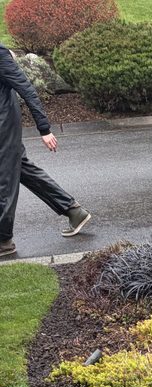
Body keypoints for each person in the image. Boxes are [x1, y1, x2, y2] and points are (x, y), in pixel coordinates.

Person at [0, 43, 91, 258]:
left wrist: (44, 128)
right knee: (22, 169)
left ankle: (3, 241)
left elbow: (27, 89)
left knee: (4, 178)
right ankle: (74, 211)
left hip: (3, 126)